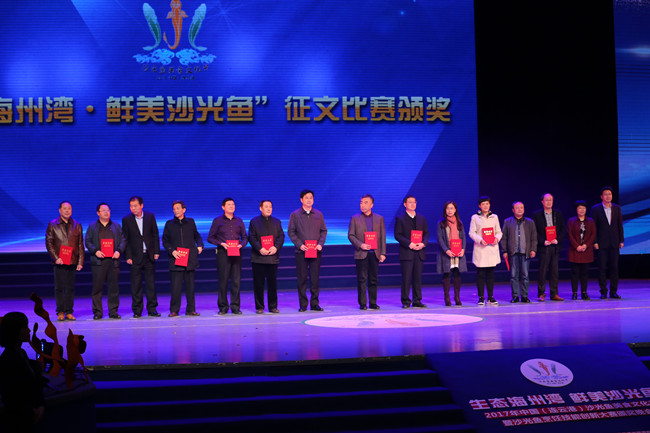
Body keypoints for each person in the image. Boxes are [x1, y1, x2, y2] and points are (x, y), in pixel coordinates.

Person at [0, 312, 45, 433]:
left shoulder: (21, 353)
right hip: (18, 422)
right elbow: (12, 397)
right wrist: (32, 411)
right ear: (15, 331)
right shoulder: (9, 359)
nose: (29, 330)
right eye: (25, 327)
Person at [162, 200, 204, 317]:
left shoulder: (190, 222)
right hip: (176, 258)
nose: (176, 211)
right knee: (176, 287)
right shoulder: (169, 224)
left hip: (189, 258)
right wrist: (172, 251)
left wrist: (200, 245)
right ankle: (174, 310)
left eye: (178, 208)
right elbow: (165, 241)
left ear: (184, 210)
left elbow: (197, 236)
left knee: (190, 287)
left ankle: (191, 309)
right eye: (174, 209)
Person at [288, 189, 328, 312]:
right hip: (301, 251)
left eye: (311, 198)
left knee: (315, 278)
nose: (309, 200)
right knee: (302, 278)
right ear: (301, 200)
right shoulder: (295, 214)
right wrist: (300, 245)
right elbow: (291, 232)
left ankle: (315, 303)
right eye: (306, 198)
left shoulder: (318, 214)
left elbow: (323, 231)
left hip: (315, 251)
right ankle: (303, 304)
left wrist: (320, 244)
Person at [85, 203, 126, 320]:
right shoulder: (92, 226)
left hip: (113, 261)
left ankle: (113, 311)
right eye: (103, 210)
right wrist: (95, 251)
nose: (106, 212)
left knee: (113, 288)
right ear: (98, 213)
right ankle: (98, 312)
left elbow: (123, 240)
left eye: (108, 210)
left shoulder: (116, 226)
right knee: (97, 288)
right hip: (99, 261)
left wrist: (119, 251)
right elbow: (87, 241)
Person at [207, 198, 248, 315]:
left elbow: (245, 237)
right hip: (223, 253)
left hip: (236, 252)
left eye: (233, 204)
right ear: (223, 207)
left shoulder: (239, 220)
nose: (231, 206)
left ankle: (235, 307)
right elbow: (210, 237)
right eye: (229, 204)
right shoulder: (217, 221)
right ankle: (223, 307)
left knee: (236, 281)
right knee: (223, 281)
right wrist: (221, 243)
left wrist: (241, 245)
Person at [122, 196, 161, 318]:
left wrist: (156, 251)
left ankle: (152, 309)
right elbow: (126, 239)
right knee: (136, 285)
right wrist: (128, 256)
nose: (133, 208)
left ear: (141, 205)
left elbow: (155, 234)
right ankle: (137, 310)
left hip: (149, 255)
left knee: (150, 284)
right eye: (131, 206)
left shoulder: (150, 216)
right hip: (135, 257)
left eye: (135, 206)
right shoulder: (126, 219)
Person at [45, 201, 84, 322]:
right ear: (60, 210)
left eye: (69, 209)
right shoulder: (53, 224)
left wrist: (80, 262)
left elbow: (80, 245)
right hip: (60, 261)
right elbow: (49, 243)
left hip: (72, 261)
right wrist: (56, 258)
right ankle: (60, 311)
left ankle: (69, 312)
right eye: (65, 208)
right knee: (60, 288)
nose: (67, 211)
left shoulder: (77, 225)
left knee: (70, 288)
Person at [348, 194, 386, 310]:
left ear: (371, 205)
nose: (362, 205)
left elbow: (382, 237)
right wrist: (361, 245)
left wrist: (383, 253)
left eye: (365, 202)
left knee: (373, 279)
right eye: (361, 202)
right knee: (362, 279)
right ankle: (363, 303)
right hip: (361, 253)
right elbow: (351, 235)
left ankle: (373, 303)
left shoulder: (379, 218)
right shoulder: (355, 218)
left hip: (375, 253)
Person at [248, 200, 285, 314]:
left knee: (272, 283)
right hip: (258, 257)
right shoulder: (254, 221)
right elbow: (252, 237)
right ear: (261, 208)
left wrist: (276, 247)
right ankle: (259, 306)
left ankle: (273, 306)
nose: (269, 209)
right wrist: (260, 248)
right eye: (266, 207)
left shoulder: (277, 222)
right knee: (258, 283)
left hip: (272, 257)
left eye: (270, 207)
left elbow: (281, 236)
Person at [394, 195, 429, 308]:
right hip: (407, 252)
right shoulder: (400, 219)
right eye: (410, 202)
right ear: (405, 204)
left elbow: (426, 233)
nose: (412, 204)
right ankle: (405, 301)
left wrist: (423, 243)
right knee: (406, 278)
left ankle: (417, 300)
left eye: (414, 202)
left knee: (417, 278)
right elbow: (397, 235)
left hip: (419, 252)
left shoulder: (421, 218)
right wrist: (409, 244)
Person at [500, 201, 537, 303]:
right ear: (513, 210)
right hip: (513, 252)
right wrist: (505, 250)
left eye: (521, 207)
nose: (519, 209)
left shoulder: (530, 222)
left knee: (525, 275)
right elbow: (504, 238)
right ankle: (515, 296)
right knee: (513, 276)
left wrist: (533, 249)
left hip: (526, 252)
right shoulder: (508, 222)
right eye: (517, 208)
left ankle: (524, 296)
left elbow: (534, 237)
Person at [532, 193, 566, 301]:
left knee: (554, 271)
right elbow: (534, 231)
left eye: (550, 200)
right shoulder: (537, 215)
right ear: (542, 202)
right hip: (544, 246)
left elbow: (563, 229)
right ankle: (541, 293)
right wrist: (543, 241)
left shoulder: (558, 214)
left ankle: (554, 293)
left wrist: (558, 240)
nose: (549, 202)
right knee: (542, 271)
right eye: (546, 200)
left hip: (555, 246)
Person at [591, 186, 624, 299]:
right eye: (605, 194)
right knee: (602, 268)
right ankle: (603, 291)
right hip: (601, 243)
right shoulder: (596, 209)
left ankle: (613, 291)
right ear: (601, 196)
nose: (608, 196)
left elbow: (620, 225)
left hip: (614, 242)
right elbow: (594, 227)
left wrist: (621, 240)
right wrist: (595, 241)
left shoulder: (617, 208)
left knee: (614, 268)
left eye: (609, 194)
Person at [468, 196, 502, 305]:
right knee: (481, 274)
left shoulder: (494, 217)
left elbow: (499, 232)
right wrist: (480, 240)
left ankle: (491, 297)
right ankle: (481, 297)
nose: (485, 206)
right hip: (481, 249)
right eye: (483, 204)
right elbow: (471, 232)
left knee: (491, 274)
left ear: (489, 205)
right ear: (479, 206)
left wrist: (496, 238)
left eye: (487, 204)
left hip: (491, 248)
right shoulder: (475, 217)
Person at [436, 201, 467, 306]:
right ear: (445, 210)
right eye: (447, 208)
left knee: (457, 273)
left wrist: (463, 249)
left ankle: (457, 297)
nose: (449, 210)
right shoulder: (441, 223)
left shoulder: (459, 222)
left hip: (458, 252)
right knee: (447, 274)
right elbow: (440, 239)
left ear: (455, 210)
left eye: (451, 208)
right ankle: (447, 297)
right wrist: (447, 250)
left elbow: (463, 237)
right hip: (447, 252)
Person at [567, 200, 596, 300]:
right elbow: (570, 235)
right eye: (580, 208)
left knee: (585, 272)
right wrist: (577, 246)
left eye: (583, 208)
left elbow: (593, 234)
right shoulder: (571, 221)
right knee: (575, 272)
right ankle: (574, 293)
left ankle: (584, 292)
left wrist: (586, 245)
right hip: (575, 250)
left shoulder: (591, 221)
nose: (582, 210)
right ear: (576, 210)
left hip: (586, 250)